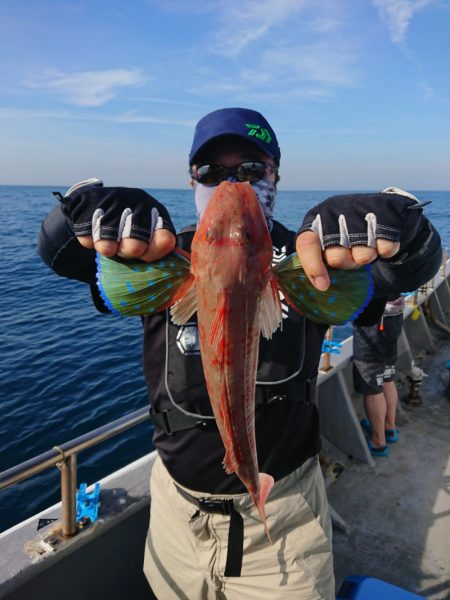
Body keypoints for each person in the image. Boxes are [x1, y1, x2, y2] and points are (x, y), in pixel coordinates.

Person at [38, 107, 442, 600]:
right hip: (175, 514)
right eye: (212, 172)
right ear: (192, 180)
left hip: (283, 519)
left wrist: (401, 231)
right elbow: (62, 255)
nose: (234, 184)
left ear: (276, 175)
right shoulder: (161, 258)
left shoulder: (310, 262)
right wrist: (79, 209)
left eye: (252, 170)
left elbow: (404, 273)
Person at [353, 293, 405, 457]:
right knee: (387, 375)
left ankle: (378, 442)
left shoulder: (372, 265)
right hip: (394, 314)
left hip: (374, 321)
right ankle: (389, 428)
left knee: (372, 387)